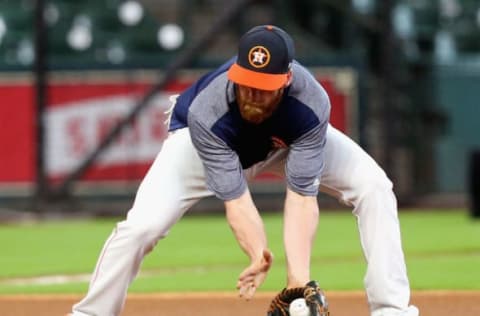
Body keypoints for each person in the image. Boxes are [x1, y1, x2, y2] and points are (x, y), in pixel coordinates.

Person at [67, 25, 418, 316]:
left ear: (286, 79)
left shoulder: (311, 105)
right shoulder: (208, 111)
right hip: (202, 147)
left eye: (263, 88)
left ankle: (391, 309)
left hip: (283, 142)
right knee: (142, 227)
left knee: (374, 186)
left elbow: (301, 198)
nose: (251, 94)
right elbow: (236, 201)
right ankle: (90, 313)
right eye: (246, 82)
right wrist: (256, 253)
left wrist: (297, 284)